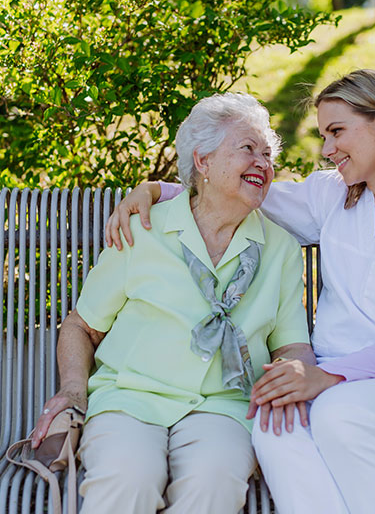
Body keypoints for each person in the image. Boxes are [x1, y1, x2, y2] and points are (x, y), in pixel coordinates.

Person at [104, 69, 375, 513]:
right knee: (272, 424)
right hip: (329, 386)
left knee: (341, 415)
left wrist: (325, 378)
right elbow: (239, 191)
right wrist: (154, 189)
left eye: (337, 132)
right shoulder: (334, 196)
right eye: (324, 135)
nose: (327, 150)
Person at [30, 92, 313, 514]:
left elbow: (291, 345)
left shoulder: (281, 249)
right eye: (248, 149)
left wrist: (295, 372)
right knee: (127, 480)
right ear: (203, 162)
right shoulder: (142, 229)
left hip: (224, 405)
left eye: (268, 154)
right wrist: (73, 389)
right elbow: (82, 326)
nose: (263, 163)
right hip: (130, 397)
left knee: (214, 485)